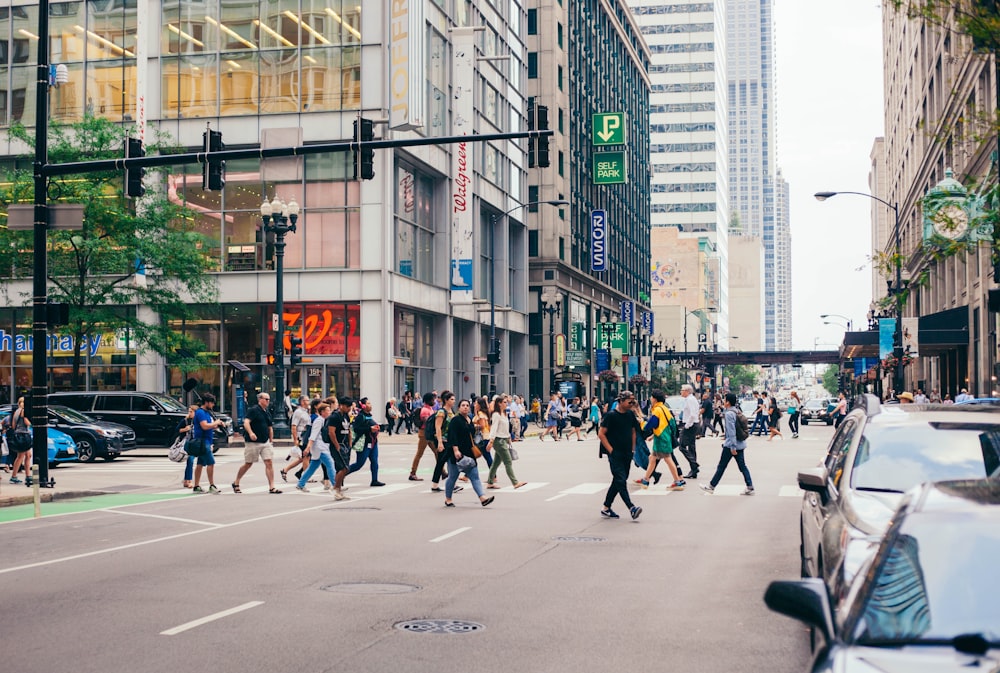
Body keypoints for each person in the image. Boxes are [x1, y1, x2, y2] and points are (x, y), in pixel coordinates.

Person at [597, 390, 643, 521]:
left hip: (627, 453)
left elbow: (634, 431)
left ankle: (606, 507)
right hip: (615, 454)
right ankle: (631, 508)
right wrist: (611, 451)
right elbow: (601, 434)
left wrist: (633, 450)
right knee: (621, 480)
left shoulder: (630, 414)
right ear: (621, 401)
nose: (632, 404)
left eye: (633, 401)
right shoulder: (611, 416)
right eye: (630, 401)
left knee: (618, 480)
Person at [443, 399, 494, 508]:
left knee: (475, 476)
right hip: (456, 454)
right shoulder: (455, 420)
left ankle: (483, 498)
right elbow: (452, 436)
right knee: (453, 477)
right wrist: (456, 450)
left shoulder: (469, 419)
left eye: (467, 405)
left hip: (469, 452)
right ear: (459, 408)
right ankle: (448, 499)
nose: (465, 407)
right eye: (463, 405)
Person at [700, 393, 754, 496]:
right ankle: (749, 485)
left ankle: (711, 487)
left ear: (728, 402)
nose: (724, 402)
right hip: (740, 444)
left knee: (721, 466)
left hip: (731, 446)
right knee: (742, 466)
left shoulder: (729, 414)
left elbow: (732, 431)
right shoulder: (737, 411)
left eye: (725, 400)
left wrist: (733, 446)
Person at [235, 392, 282, 494]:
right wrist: (251, 433)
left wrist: (271, 440)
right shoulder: (254, 410)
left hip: (265, 441)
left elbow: (270, 427)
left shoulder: (267, 412)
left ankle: (272, 487)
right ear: (260, 399)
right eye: (266, 399)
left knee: (269, 462)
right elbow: (246, 422)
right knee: (248, 463)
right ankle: (236, 482)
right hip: (253, 442)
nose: (268, 401)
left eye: (269, 399)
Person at [640, 389, 685, 490]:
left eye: (651, 397)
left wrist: (641, 423)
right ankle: (645, 480)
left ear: (655, 399)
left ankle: (677, 482)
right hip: (664, 438)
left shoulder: (657, 410)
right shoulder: (665, 408)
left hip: (661, 439)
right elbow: (671, 425)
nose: (650, 399)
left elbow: (650, 424)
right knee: (652, 458)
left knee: (668, 459)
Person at [295, 402, 338, 493]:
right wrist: (308, 447)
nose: (329, 412)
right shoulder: (319, 421)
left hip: (322, 446)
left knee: (313, 466)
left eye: (329, 410)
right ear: (322, 412)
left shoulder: (325, 420)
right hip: (319, 447)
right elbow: (313, 435)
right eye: (327, 410)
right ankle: (336, 485)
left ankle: (300, 484)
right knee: (330, 464)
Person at [485, 395, 526, 490]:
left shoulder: (503, 414)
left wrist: (508, 438)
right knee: (508, 461)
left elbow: (505, 428)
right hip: (498, 441)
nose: (506, 404)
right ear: (499, 404)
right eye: (504, 402)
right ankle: (515, 482)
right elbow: (494, 428)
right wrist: (491, 441)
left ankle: (490, 482)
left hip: (504, 439)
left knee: (495, 463)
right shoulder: (496, 414)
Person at [348, 397, 385, 486]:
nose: (370, 405)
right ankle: (341, 474)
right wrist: (369, 429)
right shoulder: (360, 416)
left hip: (372, 442)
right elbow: (356, 429)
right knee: (359, 464)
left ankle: (374, 480)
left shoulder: (369, 415)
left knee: (374, 461)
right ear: (363, 406)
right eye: (368, 403)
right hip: (364, 444)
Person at [191, 394, 222, 494]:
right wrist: (215, 422)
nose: (213, 405)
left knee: (200, 463)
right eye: (212, 403)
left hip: (206, 440)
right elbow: (204, 426)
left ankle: (196, 486)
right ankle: (212, 485)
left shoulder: (206, 413)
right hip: (203, 441)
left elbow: (208, 426)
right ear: (207, 402)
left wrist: (216, 425)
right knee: (211, 463)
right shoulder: (200, 413)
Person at [324, 396, 353, 500]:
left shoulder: (346, 416)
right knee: (343, 467)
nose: (349, 408)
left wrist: (350, 443)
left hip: (345, 444)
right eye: (347, 406)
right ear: (341, 405)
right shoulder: (334, 417)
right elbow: (331, 432)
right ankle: (335, 488)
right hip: (337, 445)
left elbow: (349, 429)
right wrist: (336, 445)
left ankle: (338, 489)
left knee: (343, 468)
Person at [429, 391, 458, 492]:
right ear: (446, 400)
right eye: (452, 399)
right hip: (443, 440)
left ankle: (438, 484)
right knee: (442, 462)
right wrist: (440, 442)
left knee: (447, 462)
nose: (454, 401)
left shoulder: (451, 411)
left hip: (450, 440)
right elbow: (438, 428)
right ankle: (438, 484)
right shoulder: (441, 412)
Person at [282, 396, 312, 482]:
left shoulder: (305, 412)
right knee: (306, 456)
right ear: (302, 402)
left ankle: (285, 470)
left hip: (305, 435)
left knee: (303, 458)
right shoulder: (298, 412)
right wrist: (295, 439)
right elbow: (294, 426)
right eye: (307, 400)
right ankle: (306, 476)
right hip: (300, 436)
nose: (308, 402)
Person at [409, 392, 438, 480]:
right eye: (433, 400)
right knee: (419, 453)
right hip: (424, 434)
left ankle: (442, 471)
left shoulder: (431, 409)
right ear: (429, 400)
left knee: (437, 452)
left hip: (429, 434)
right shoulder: (425, 410)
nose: (434, 401)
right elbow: (427, 422)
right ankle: (412, 473)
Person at [678, 384, 701, 478]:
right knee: (691, 447)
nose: (681, 391)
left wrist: (687, 425)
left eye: (682, 390)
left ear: (687, 391)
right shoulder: (691, 399)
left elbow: (692, 414)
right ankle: (694, 470)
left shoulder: (690, 400)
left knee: (682, 446)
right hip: (693, 424)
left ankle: (694, 464)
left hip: (690, 425)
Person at [7, 396, 32, 485]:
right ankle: (15, 476)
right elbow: (27, 422)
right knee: (21, 456)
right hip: (24, 435)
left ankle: (27, 475)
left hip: (18, 434)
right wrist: (31, 422)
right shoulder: (23, 411)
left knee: (27, 455)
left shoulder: (16, 411)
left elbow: (13, 425)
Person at [177, 405, 198, 488]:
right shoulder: (185, 421)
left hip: (195, 443)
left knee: (190, 462)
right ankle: (188, 480)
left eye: (191, 412)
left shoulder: (198, 421)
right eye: (189, 411)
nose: (189, 413)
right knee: (190, 460)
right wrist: (185, 429)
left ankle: (186, 480)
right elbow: (177, 430)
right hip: (188, 443)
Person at [473, 396, 494, 469]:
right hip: (485, 436)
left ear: (479, 405)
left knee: (484, 455)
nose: (474, 405)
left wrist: (473, 426)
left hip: (482, 437)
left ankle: (493, 475)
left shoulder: (481, 414)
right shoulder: (482, 413)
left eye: (476, 403)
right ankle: (467, 475)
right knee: (476, 455)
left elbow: (482, 425)